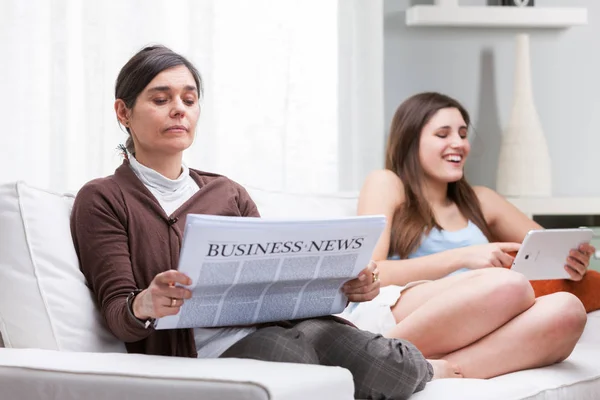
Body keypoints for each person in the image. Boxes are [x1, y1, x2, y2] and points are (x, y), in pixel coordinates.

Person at [69, 46, 453, 400]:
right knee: (290, 355)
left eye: (189, 99)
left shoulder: (227, 192)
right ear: (123, 112)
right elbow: (119, 314)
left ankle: (437, 369)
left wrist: (345, 284)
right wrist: (146, 303)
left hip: (283, 326)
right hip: (201, 356)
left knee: (394, 366)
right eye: (160, 99)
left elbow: (273, 280)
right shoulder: (103, 198)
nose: (179, 109)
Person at [343, 91, 591, 380]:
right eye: (442, 134)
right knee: (511, 285)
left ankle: (437, 371)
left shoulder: (481, 201)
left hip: (476, 321)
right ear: (410, 141)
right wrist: (462, 257)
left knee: (568, 311)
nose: (458, 143)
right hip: (399, 307)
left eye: (462, 134)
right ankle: (372, 359)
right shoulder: (387, 183)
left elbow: (553, 247)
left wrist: (572, 262)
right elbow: (370, 273)